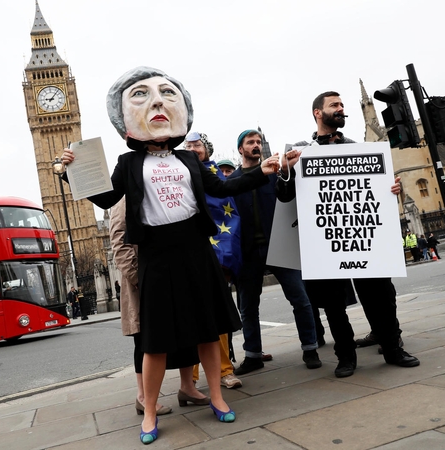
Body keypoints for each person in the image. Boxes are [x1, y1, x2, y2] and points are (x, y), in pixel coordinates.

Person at [61, 66, 281, 445]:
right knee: (156, 341)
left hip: (196, 251)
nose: (158, 104)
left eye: (166, 95)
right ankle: (149, 411)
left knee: (208, 332)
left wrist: (261, 171)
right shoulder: (128, 163)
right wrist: (71, 174)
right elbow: (107, 198)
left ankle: (216, 396)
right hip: (156, 256)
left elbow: (224, 187)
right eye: (143, 97)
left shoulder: (190, 160)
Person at [277, 90, 419, 378]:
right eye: (334, 105)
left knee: (380, 295)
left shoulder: (358, 149)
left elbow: (376, 191)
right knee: (333, 304)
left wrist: (390, 189)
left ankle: (393, 348)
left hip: (363, 239)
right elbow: (284, 196)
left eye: (342, 104)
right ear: (318, 113)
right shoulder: (301, 152)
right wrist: (285, 171)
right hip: (327, 241)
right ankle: (345, 356)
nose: (341, 108)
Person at [229, 129, 321, 376]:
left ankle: (310, 348)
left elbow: (287, 195)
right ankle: (253, 355)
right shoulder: (233, 180)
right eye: (250, 142)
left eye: (259, 141)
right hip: (248, 252)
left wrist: (287, 170)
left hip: (278, 245)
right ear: (241, 149)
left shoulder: (274, 174)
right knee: (248, 307)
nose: (256, 145)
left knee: (300, 299)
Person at [110, 196, 209, 418]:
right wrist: (139, 278)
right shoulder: (124, 200)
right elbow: (119, 242)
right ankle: (143, 398)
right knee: (144, 340)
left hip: (169, 272)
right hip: (144, 280)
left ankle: (187, 387)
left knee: (185, 329)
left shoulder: (158, 189)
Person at [185, 131, 243, 390]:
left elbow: (228, 217)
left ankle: (225, 370)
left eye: (197, 145)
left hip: (216, 257)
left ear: (206, 149)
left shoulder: (215, 176)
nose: (193, 149)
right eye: (188, 146)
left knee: (217, 317)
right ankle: (190, 377)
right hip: (188, 255)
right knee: (191, 318)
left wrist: (225, 256)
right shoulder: (178, 175)